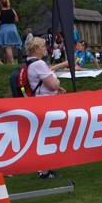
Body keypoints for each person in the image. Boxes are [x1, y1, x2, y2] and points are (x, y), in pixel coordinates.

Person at [24, 35, 64, 179]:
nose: (45, 48)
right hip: (46, 103)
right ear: (36, 49)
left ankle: (44, 169)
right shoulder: (39, 64)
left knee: (44, 136)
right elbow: (52, 85)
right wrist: (57, 83)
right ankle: (45, 170)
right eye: (42, 46)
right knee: (48, 136)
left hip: (39, 101)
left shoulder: (30, 63)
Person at [0, 0, 23, 64]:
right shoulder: (12, 10)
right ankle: (8, 63)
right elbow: (16, 19)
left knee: (7, 47)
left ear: (1, 4)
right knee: (11, 46)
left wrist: (0, 22)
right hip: (13, 28)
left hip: (4, 29)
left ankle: (12, 63)